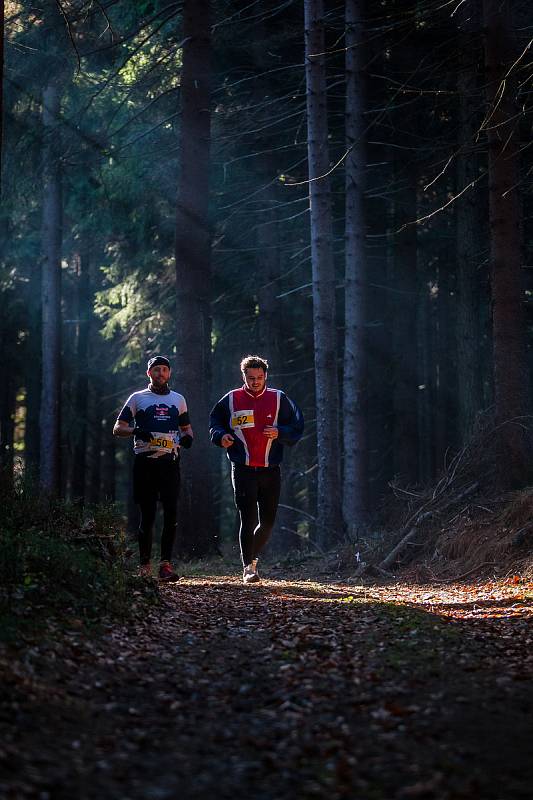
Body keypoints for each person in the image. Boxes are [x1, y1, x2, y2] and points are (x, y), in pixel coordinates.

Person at [209, 355, 304, 584]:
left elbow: (298, 424)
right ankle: (248, 567)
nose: (255, 382)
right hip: (242, 468)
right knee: (247, 517)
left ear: (266, 376)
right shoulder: (231, 399)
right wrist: (221, 436)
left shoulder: (279, 398)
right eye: (251, 378)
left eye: (259, 378)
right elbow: (215, 423)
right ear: (244, 377)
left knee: (268, 522)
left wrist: (280, 432)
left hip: (270, 469)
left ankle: (251, 557)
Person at [113, 356, 193, 582]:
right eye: (156, 370)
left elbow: (187, 430)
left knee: (171, 514)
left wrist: (188, 440)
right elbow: (118, 428)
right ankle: (145, 567)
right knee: (147, 516)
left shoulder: (178, 399)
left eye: (164, 370)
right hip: (145, 464)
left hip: (170, 464)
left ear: (169, 373)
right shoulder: (137, 398)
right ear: (149, 373)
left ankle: (165, 566)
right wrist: (136, 431)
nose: (161, 373)